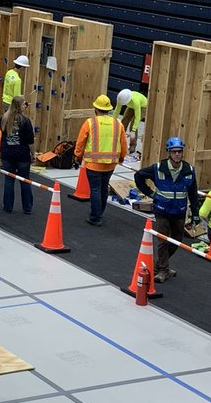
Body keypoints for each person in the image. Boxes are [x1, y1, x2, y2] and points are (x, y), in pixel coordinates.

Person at [134, 137, 201, 282]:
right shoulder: (158, 168)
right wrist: (150, 193)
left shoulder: (189, 170)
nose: (177, 154)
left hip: (179, 211)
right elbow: (138, 176)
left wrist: (195, 214)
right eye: (174, 151)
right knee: (163, 241)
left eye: (180, 151)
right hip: (162, 210)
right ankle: (163, 270)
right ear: (168, 153)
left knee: (177, 241)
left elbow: (193, 193)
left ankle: (159, 265)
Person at [74, 95, 127, 227]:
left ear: (95, 108)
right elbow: (123, 144)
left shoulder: (90, 123)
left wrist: (77, 156)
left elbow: (81, 142)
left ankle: (96, 217)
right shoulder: (118, 123)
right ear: (109, 109)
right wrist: (121, 157)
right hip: (110, 164)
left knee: (95, 189)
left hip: (93, 163)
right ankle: (99, 213)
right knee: (103, 188)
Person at [0, 95, 35, 214]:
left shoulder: (3, 118)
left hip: (7, 154)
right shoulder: (25, 121)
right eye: (25, 104)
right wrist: (33, 154)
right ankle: (27, 207)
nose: (26, 106)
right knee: (25, 181)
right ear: (20, 106)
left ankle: (8, 206)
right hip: (22, 155)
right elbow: (30, 141)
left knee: (9, 181)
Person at [113, 88, 148, 152]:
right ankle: (119, 141)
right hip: (131, 106)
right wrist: (112, 121)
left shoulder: (135, 101)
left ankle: (132, 146)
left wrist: (133, 131)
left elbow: (137, 117)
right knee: (124, 120)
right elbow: (117, 110)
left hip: (143, 106)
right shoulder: (121, 98)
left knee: (133, 124)